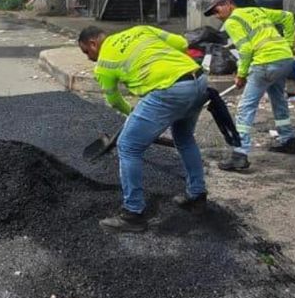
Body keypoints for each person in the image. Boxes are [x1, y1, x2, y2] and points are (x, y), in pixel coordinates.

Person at [78, 25, 209, 233]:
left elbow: (114, 100)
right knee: (184, 138)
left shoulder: (104, 64)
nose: (89, 58)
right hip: (198, 81)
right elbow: (182, 44)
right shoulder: (140, 29)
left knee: (128, 146)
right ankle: (197, 196)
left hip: (169, 91)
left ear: (94, 43)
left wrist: (133, 113)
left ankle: (133, 215)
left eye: (87, 52)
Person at [204, 0, 295, 172]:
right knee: (278, 99)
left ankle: (240, 154)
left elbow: (246, 49)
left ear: (228, 4)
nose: (217, 15)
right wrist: (288, 44)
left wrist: (241, 74)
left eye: (216, 10)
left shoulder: (232, 22)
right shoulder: (257, 10)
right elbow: (288, 17)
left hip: (265, 63)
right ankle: (288, 140)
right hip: (285, 60)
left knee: (245, 108)